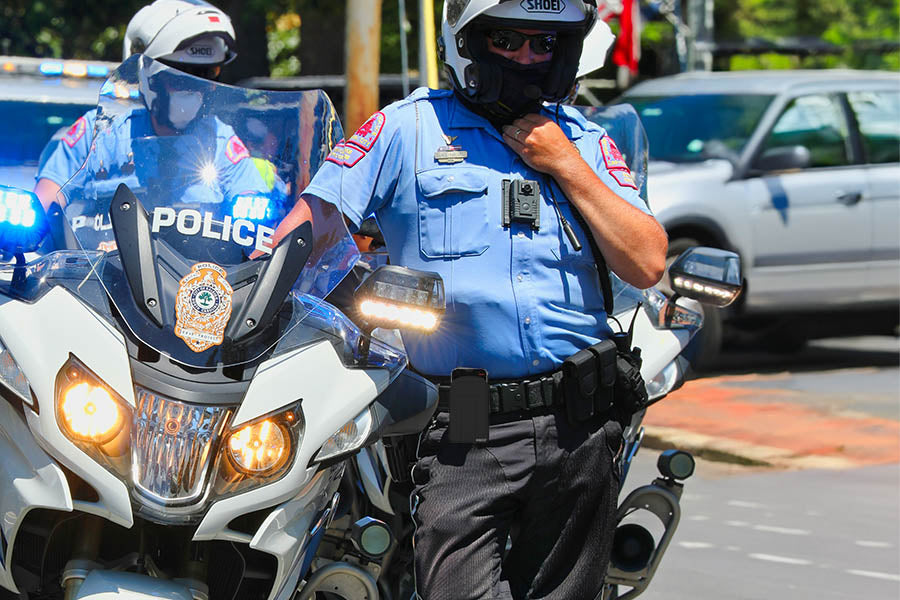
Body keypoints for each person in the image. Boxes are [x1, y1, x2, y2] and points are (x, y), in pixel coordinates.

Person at [283, 0, 668, 597]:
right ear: (467, 43)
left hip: (580, 422)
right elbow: (306, 233)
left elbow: (646, 261)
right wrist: (243, 292)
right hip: (463, 425)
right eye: (508, 42)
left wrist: (565, 164)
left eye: (544, 45)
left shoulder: (584, 142)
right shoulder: (406, 130)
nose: (527, 58)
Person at [33, 0, 244, 212]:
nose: (195, 88)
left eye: (206, 76)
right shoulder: (99, 133)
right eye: (180, 76)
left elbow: (253, 199)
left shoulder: (221, 144)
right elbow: (47, 200)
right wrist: (34, 221)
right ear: (149, 78)